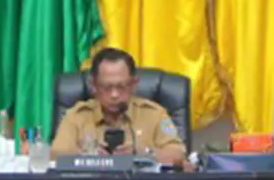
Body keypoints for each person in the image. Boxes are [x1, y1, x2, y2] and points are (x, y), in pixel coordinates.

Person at [51, 48, 189, 168]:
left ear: (134, 84)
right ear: (93, 85)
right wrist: (86, 155)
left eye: (121, 86)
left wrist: (144, 153)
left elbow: (178, 155)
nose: (114, 95)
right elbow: (54, 156)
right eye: (106, 87)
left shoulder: (154, 114)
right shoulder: (77, 116)